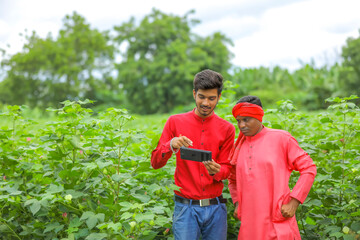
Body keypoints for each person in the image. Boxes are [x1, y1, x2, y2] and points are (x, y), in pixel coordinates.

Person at [151, 69, 235, 240]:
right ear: (194, 93)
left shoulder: (227, 129)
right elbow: (155, 162)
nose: (206, 102)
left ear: (219, 97)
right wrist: (171, 144)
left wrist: (217, 170)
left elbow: (228, 169)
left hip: (216, 208)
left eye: (211, 98)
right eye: (201, 97)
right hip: (185, 208)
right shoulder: (175, 122)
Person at [228, 95, 317, 240]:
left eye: (246, 119)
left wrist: (294, 202)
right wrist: (237, 203)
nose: (241, 125)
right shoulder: (239, 146)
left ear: (258, 117)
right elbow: (232, 179)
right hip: (249, 226)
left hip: (277, 222)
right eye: (238, 121)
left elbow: (309, 168)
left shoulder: (281, 138)